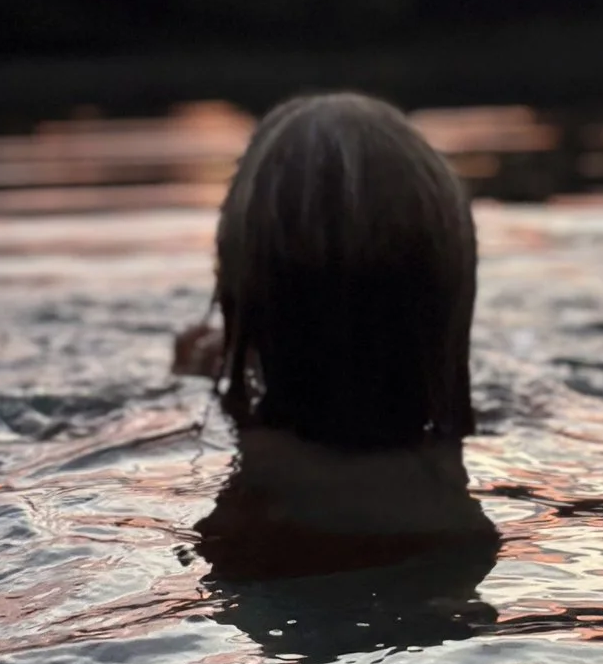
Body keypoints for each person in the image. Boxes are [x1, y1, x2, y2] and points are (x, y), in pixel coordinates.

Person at [174, 93, 498, 581]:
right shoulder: (462, 482)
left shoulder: (243, 524)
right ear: (454, 294)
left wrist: (189, 382)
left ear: (240, 291)